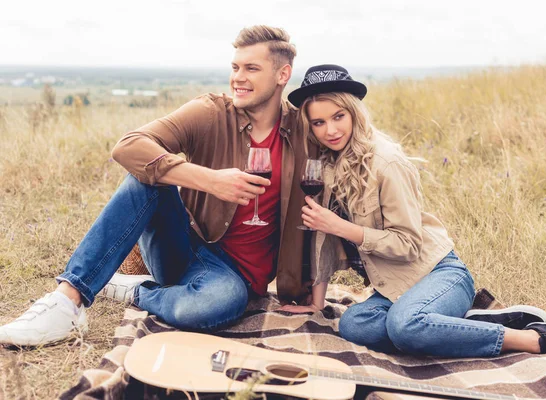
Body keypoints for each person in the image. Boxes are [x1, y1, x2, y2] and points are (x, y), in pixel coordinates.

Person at [0, 25, 312, 347]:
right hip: (183, 247)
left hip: (234, 277)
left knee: (218, 303)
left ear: (282, 74)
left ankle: (136, 290)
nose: (238, 78)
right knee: (145, 177)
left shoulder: (302, 129)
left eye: (251, 68)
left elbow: (351, 143)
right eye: (235, 67)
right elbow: (129, 145)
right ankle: (67, 301)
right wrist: (210, 180)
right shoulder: (210, 113)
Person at [278, 64, 546, 358]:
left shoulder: (386, 162)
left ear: (354, 114)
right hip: (395, 288)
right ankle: (465, 322)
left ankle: (535, 339)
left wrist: (342, 228)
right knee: (354, 326)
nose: (330, 130)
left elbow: (407, 245)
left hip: (438, 273)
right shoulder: (327, 165)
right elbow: (324, 239)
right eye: (318, 122)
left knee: (405, 328)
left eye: (338, 117)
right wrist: (317, 303)